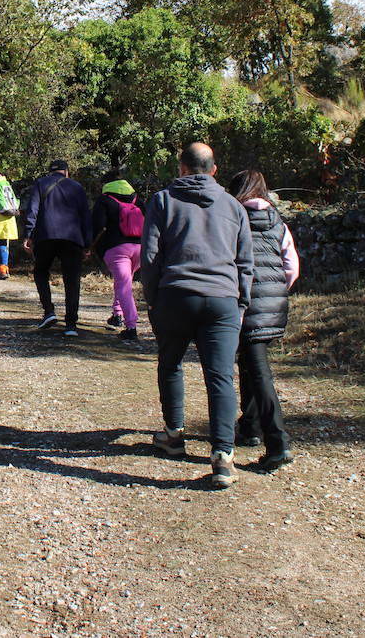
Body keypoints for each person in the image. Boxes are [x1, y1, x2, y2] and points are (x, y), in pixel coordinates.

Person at [141, 142, 254, 489]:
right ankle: (222, 456)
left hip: (176, 294)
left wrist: (152, 299)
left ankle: (174, 435)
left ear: (181, 168)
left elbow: (150, 256)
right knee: (221, 377)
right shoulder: (234, 206)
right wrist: (241, 304)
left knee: (171, 363)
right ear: (214, 170)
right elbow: (245, 262)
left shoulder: (162, 201)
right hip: (222, 299)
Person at [227, 169, 299, 470]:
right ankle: (251, 427)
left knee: (258, 370)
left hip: (244, 299)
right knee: (250, 361)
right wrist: (276, 291)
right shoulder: (277, 221)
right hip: (273, 300)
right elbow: (291, 266)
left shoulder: (232, 218)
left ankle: (278, 443)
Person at [23, 159, 91, 337]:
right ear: (66, 172)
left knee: (40, 271)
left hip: (46, 236)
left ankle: (49, 311)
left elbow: (32, 209)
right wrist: (87, 243)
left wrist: (28, 234)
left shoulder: (40, 183)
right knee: (72, 280)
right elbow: (85, 216)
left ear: (50, 172)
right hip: (72, 238)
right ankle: (71, 325)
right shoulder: (77, 187)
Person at [91, 167, 144, 343]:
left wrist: (88, 245)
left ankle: (131, 327)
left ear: (106, 184)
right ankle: (117, 314)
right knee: (124, 281)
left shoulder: (104, 200)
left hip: (117, 249)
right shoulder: (137, 200)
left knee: (124, 285)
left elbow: (97, 225)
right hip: (139, 248)